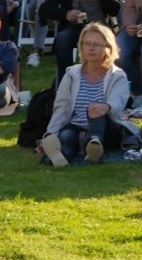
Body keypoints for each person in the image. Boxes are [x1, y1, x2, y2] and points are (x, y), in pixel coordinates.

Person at [41, 22, 134, 164]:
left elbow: (117, 102)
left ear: (108, 48)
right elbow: (61, 107)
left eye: (96, 44)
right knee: (66, 137)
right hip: (76, 126)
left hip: (107, 128)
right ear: (81, 47)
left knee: (96, 110)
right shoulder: (71, 74)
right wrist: (50, 133)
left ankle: (94, 144)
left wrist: (106, 107)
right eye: (87, 44)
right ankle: (60, 157)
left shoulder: (117, 75)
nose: (91, 48)